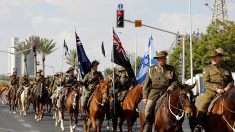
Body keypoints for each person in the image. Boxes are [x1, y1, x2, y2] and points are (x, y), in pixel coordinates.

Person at [194, 48, 234, 132]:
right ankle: (199, 125)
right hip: (211, 93)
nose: (214, 59)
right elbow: (207, 82)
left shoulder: (226, 68)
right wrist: (216, 89)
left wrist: (227, 88)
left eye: (215, 57)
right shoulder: (207, 69)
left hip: (225, 92)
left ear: (219, 58)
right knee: (203, 105)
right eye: (212, 58)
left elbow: (231, 81)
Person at [142, 50, 178, 132]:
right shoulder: (151, 70)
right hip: (154, 92)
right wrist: (145, 97)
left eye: (164, 58)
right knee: (148, 108)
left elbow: (176, 81)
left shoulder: (170, 69)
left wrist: (172, 86)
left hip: (167, 92)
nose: (162, 60)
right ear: (158, 60)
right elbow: (146, 85)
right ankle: (148, 124)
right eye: (161, 59)